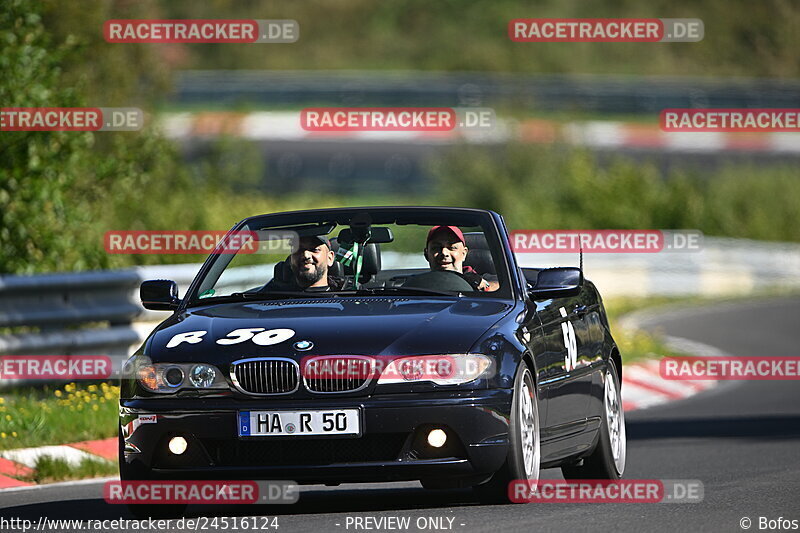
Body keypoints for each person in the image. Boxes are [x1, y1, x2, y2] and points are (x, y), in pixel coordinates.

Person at [423, 225, 499, 291]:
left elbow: (502, 289)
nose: (444, 253)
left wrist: (483, 286)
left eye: (452, 247)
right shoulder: (419, 284)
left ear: (464, 253)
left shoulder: (483, 279)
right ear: (426, 254)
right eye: (436, 248)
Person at [263, 235, 345, 291]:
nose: (306, 255)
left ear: (329, 258)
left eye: (314, 249)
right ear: (291, 259)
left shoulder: (349, 296)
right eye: (298, 250)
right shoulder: (272, 297)